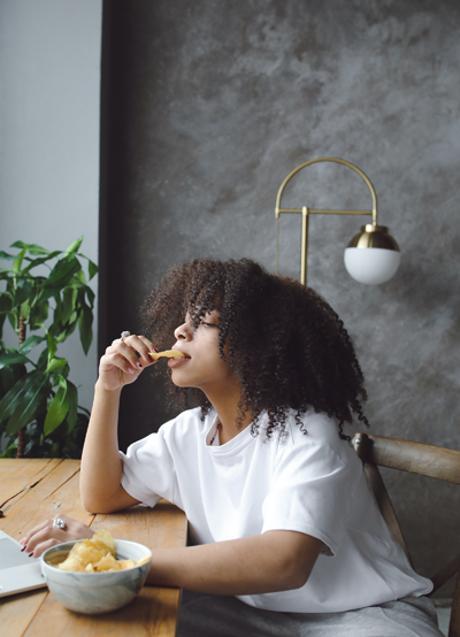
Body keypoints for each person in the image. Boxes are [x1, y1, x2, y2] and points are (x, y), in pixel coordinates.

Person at [20, 258, 442, 636]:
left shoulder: (307, 433)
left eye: (203, 322)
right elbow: (102, 494)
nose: (180, 330)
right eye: (184, 319)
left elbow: (283, 562)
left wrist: (120, 559)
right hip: (246, 614)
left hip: (363, 616)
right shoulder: (188, 432)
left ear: (252, 344)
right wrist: (106, 389)